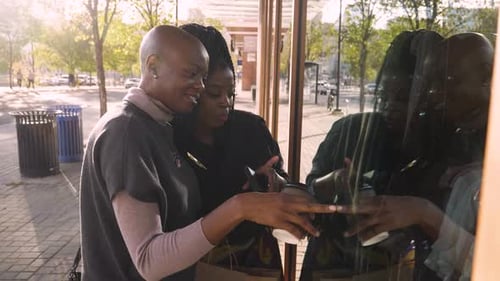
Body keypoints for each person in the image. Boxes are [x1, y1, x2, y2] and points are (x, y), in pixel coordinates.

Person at [79, 25, 336, 281]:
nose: (199, 87)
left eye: (203, 78)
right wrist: (241, 206)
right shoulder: (127, 132)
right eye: (192, 74)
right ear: (153, 66)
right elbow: (149, 260)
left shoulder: (157, 127)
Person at [336, 32, 493, 281]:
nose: (433, 93)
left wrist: (424, 214)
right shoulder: (441, 142)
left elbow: (489, 264)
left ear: (487, 77)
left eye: (447, 80)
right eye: (429, 83)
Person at [299, 30, 444, 281]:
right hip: (333, 266)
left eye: (401, 98)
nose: (388, 106)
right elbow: (310, 192)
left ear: (426, 100)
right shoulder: (349, 131)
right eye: (382, 95)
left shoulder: (440, 150)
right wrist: (334, 181)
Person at [174, 23, 286, 270]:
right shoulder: (169, 140)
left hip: (256, 265)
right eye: (214, 93)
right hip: (194, 268)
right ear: (192, 89)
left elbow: (283, 185)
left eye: (231, 93)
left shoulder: (252, 130)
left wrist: (277, 185)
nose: (225, 102)